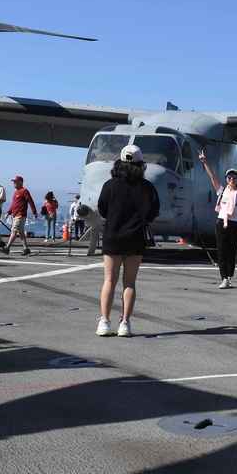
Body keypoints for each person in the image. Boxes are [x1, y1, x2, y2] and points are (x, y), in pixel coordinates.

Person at [96, 144, 160, 337]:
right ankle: (125, 323)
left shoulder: (110, 184)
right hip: (136, 238)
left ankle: (105, 322)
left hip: (113, 236)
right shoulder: (148, 187)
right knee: (129, 283)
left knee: (109, 280)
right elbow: (152, 213)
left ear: (120, 162)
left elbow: (102, 210)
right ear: (141, 164)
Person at [198, 149, 237, 289]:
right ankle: (224, 279)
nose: (232, 179)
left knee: (232, 253)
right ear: (226, 179)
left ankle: (229, 276)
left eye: (234, 177)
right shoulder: (222, 190)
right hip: (222, 224)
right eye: (229, 177)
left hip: (235, 224)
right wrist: (204, 161)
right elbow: (212, 176)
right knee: (221, 252)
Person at [3, 175, 36, 255]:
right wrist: (8, 212)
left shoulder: (24, 191)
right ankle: (26, 248)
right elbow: (14, 204)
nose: (13, 183)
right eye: (13, 182)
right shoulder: (16, 193)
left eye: (15, 182)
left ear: (20, 182)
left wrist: (34, 212)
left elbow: (30, 201)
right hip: (15, 215)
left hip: (20, 215)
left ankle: (7, 247)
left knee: (13, 231)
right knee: (21, 232)